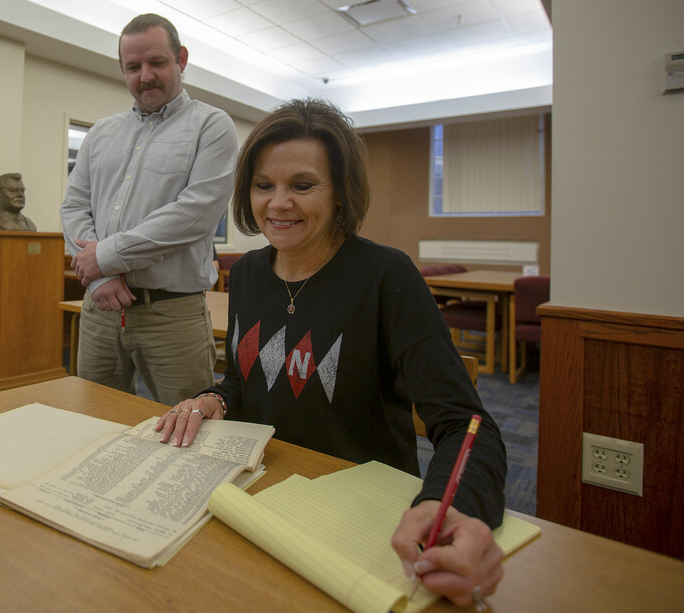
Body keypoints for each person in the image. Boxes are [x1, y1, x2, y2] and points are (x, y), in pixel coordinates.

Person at [155, 98, 507, 609]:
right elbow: (244, 380)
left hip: (359, 522)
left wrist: (451, 507)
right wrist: (215, 399)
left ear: (341, 193)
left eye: (302, 185)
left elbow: (467, 425)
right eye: (263, 185)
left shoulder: (387, 277)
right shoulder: (250, 275)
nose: (278, 203)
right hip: (262, 504)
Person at [60, 13, 237, 405]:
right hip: (100, 307)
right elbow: (73, 206)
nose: (145, 76)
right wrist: (99, 277)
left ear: (182, 59)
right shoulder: (101, 134)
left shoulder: (212, 126)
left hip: (172, 314)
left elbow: (193, 215)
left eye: (157, 63)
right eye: (133, 67)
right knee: (94, 423)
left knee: (188, 434)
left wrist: (104, 257)